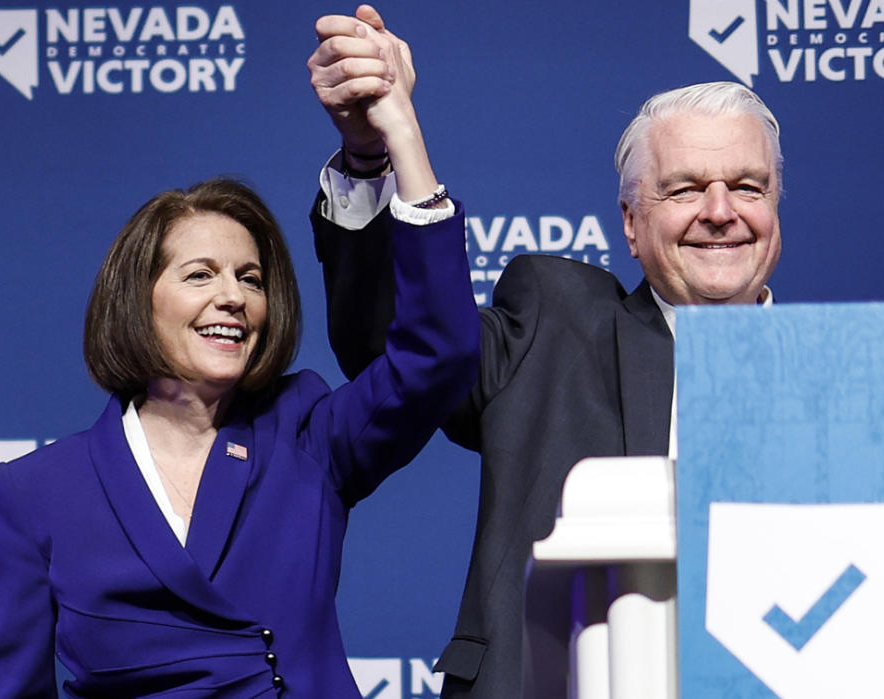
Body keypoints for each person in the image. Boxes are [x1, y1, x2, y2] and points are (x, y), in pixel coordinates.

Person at [0, 47, 479, 696]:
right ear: (138, 298)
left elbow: (441, 353)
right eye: (200, 274)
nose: (232, 296)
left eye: (250, 278)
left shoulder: (305, 434)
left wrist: (397, 133)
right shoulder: (37, 491)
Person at [309, 6, 782, 697]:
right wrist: (378, 152)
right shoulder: (557, 324)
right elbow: (400, 349)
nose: (719, 209)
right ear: (630, 221)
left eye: (747, 186)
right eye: (684, 188)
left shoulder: (847, 383)